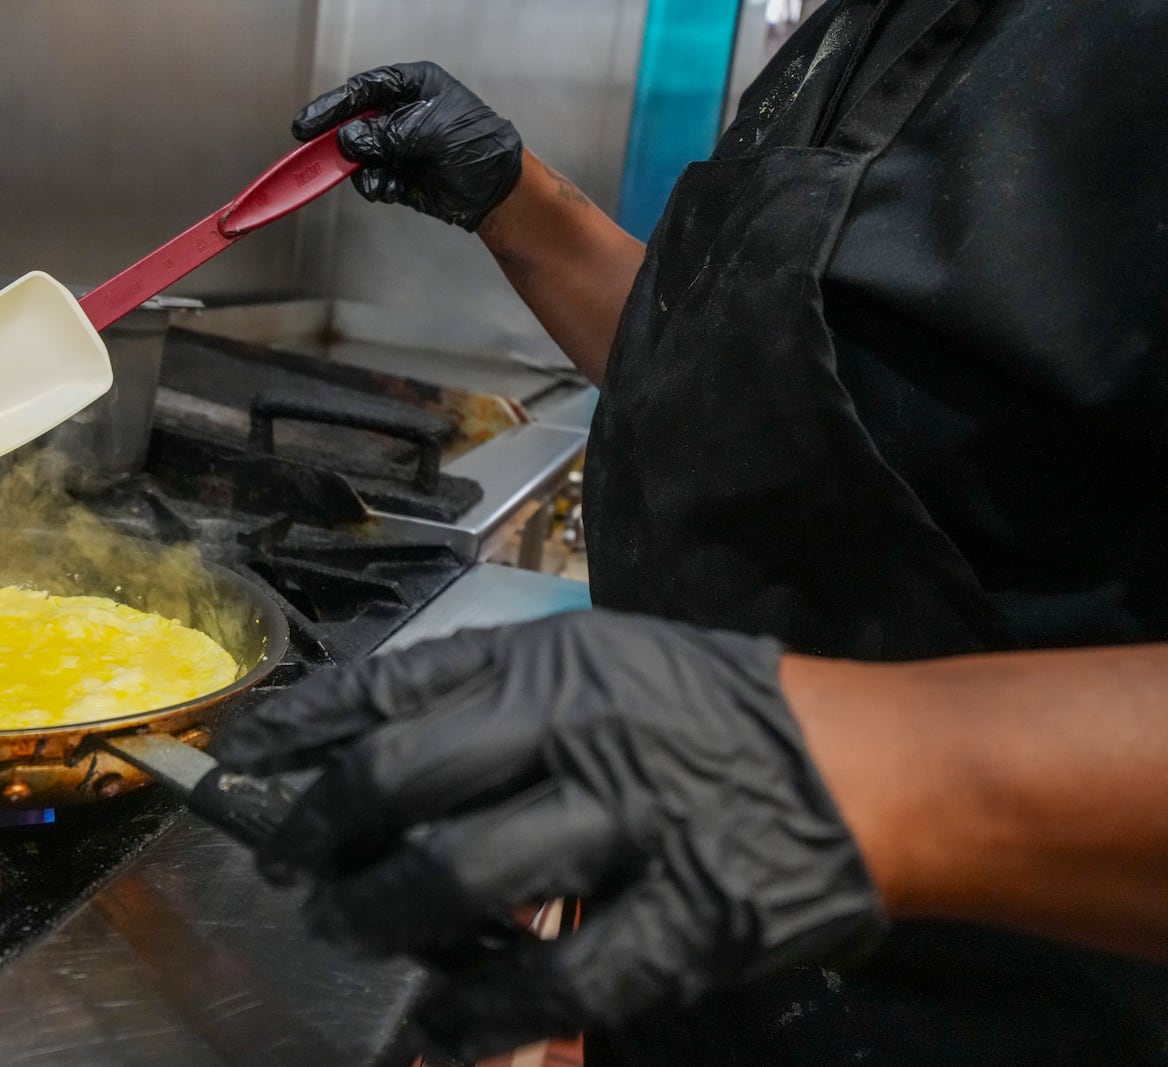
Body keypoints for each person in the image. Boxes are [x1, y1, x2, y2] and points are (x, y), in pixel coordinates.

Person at [212, 2, 1168, 1065]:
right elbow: (734, 381)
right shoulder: (849, 33)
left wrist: (826, 755)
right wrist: (517, 203)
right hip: (695, 950)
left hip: (988, 1001)